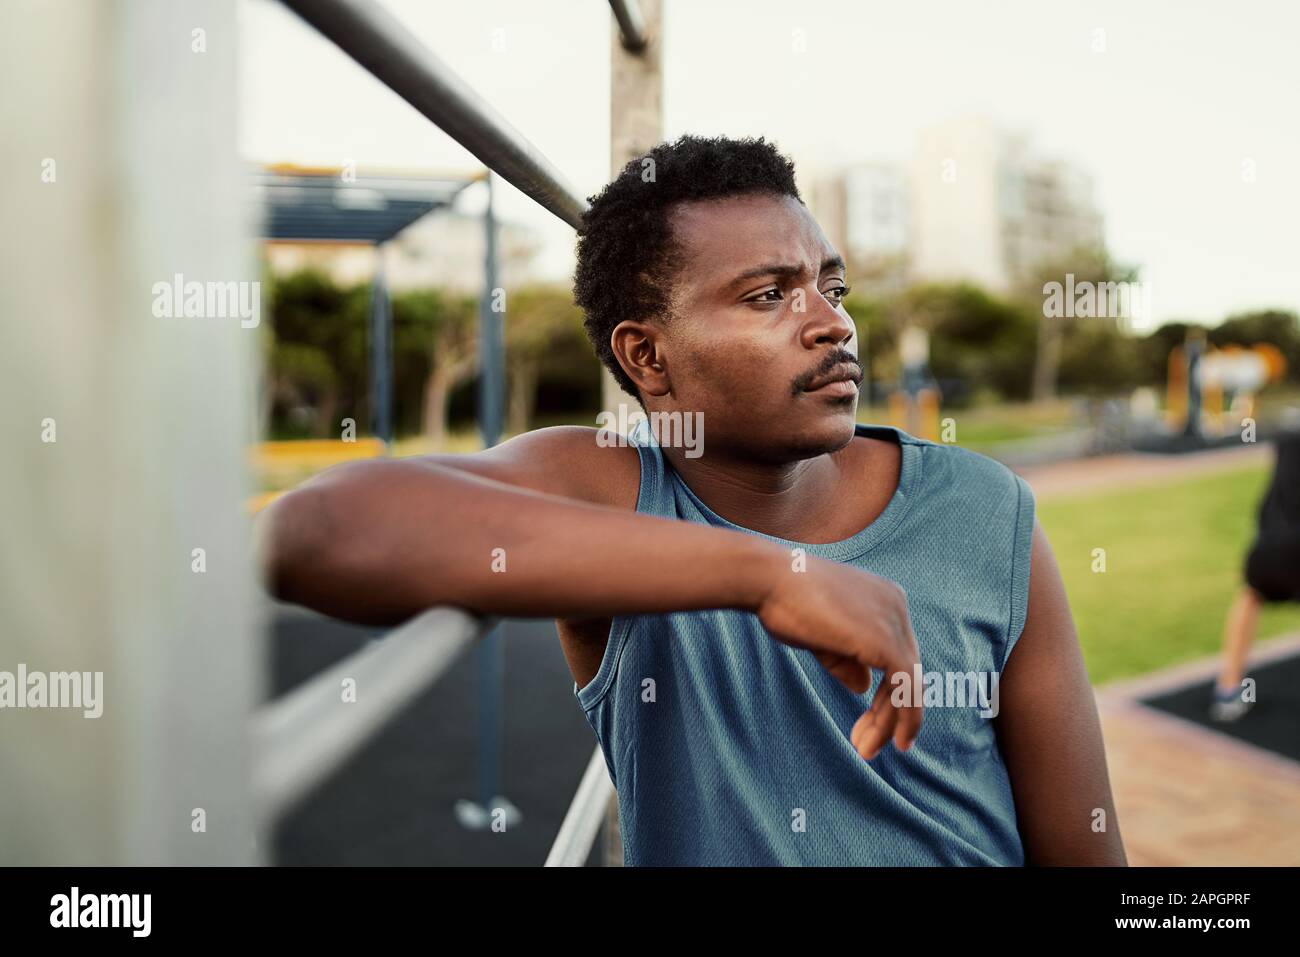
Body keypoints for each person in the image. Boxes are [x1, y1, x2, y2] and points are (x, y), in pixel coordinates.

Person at [256, 134, 1126, 866]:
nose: (832, 322)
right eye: (769, 294)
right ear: (647, 359)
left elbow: (1086, 852)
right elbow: (316, 530)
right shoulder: (618, 492)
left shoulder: (984, 507)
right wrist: (766, 574)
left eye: (833, 285)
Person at [1212, 423, 1300, 721]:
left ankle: (1228, 688)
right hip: (1289, 542)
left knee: (1251, 596)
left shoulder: (1286, 437)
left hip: (1271, 542)